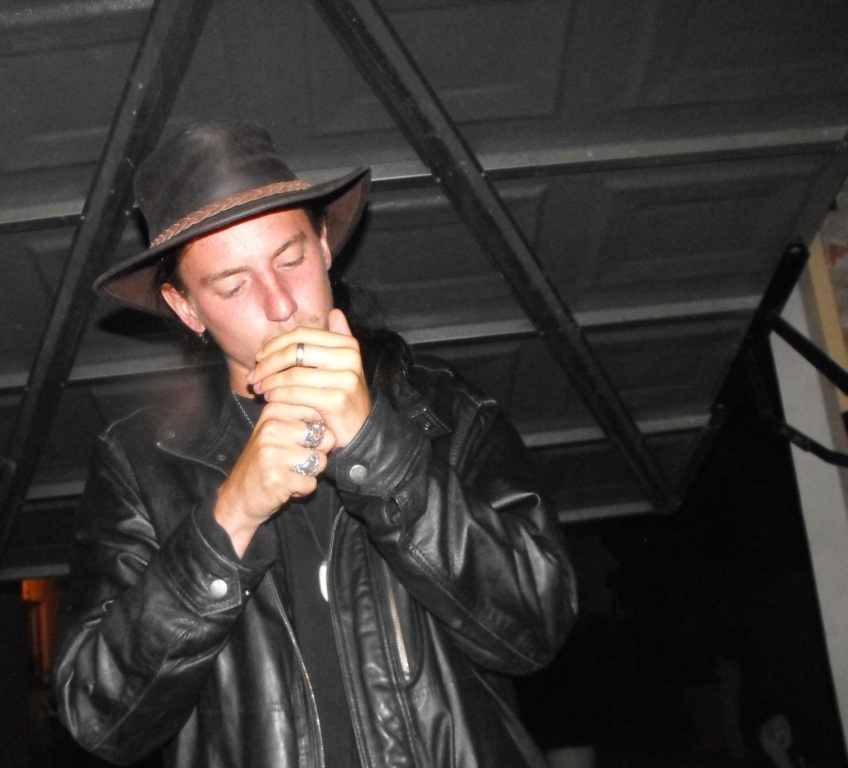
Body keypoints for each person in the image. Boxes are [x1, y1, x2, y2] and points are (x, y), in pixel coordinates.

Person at [53, 121, 578, 768]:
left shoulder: (448, 411)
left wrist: (378, 448)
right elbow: (100, 720)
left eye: (290, 259)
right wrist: (230, 517)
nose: (279, 305)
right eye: (233, 284)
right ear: (186, 307)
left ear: (325, 245)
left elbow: (534, 632)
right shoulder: (139, 461)